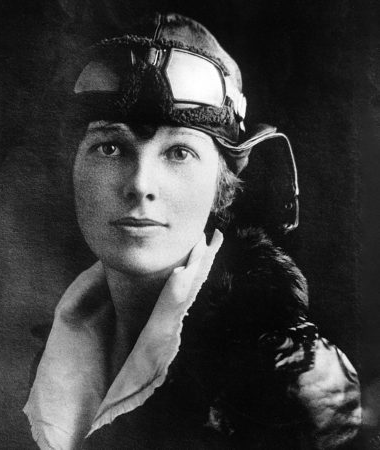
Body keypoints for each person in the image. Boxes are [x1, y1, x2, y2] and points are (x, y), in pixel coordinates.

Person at [24, 12, 361, 450]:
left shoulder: (292, 378)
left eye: (179, 152)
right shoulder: (57, 355)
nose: (140, 184)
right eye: (110, 147)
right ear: (72, 169)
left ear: (222, 186)